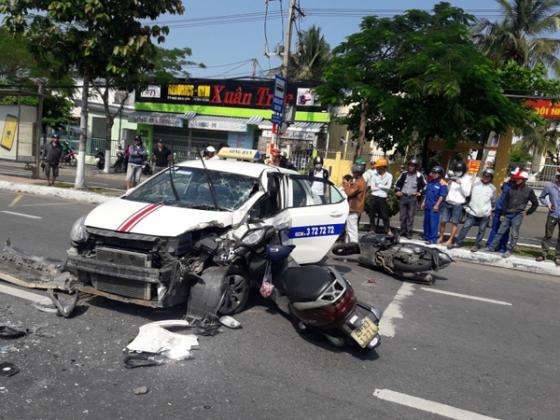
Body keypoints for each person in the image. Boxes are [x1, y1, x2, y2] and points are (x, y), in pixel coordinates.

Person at [484, 170, 539, 258]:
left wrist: (527, 212)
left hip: (518, 215)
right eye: (516, 178)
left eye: (518, 179)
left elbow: (535, 203)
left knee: (514, 234)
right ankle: (492, 247)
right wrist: (503, 213)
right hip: (507, 214)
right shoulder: (511, 188)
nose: (516, 180)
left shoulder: (529, 191)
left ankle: (509, 250)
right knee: (500, 231)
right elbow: (505, 202)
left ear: (524, 180)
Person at [453, 168, 497, 252]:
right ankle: (458, 242)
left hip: (485, 214)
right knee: (465, 227)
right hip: (472, 212)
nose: (486, 178)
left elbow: (494, 202)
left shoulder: (493, 188)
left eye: (488, 177)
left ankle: (476, 245)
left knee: (481, 230)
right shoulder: (475, 184)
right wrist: (467, 208)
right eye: (485, 175)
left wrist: (490, 212)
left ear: (491, 178)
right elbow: (468, 196)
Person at [439, 161, 472, 248]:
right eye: (456, 170)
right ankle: (441, 237)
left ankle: (450, 240)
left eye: (459, 170)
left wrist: (460, 183)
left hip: (458, 204)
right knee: (443, 221)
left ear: (463, 170)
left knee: (454, 223)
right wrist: (448, 184)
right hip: (448, 201)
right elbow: (448, 190)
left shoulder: (467, 179)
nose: (457, 172)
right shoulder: (453, 177)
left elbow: (467, 193)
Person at [394, 158, 426, 238]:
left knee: (410, 216)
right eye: (410, 166)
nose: (410, 167)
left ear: (416, 167)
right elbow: (396, 184)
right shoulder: (404, 174)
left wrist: (420, 192)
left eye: (413, 166)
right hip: (403, 196)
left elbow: (426, 186)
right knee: (402, 216)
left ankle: (409, 232)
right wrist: (398, 191)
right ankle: (402, 231)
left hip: (413, 198)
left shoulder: (419, 176)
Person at [487, 172, 516, 253]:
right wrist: (505, 181)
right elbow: (502, 189)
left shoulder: (517, 187)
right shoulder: (507, 183)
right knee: (494, 228)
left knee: (505, 230)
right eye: (511, 175)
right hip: (499, 209)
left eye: (513, 175)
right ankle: (490, 245)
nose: (511, 176)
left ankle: (502, 247)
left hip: (507, 211)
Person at [536, 168, 560, 265]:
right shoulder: (550, 186)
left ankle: (558, 256)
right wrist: (548, 204)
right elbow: (541, 197)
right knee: (548, 235)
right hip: (553, 214)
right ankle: (543, 254)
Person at [364, 158, 393, 234]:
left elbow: (388, 188)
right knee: (372, 213)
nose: (376, 168)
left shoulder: (389, 176)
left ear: (383, 167)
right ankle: (372, 229)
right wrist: (383, 186)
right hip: (374, 196)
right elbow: (373, 188)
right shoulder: (374, 176)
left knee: (384, 215)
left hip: (383, 197)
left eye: (378, 167)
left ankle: (387, 229)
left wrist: (379, 185)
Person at [422, 166, 448, 244]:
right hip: (427, 204)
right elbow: (427, 194)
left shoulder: (442, 183)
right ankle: (426, 237)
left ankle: (432, 239)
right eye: (433, 173)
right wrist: (423, 202)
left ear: (440, 174)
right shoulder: (430, 182)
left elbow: (442, 196)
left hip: (434, 206)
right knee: (426, 222)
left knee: (433, 223)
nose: (434, 174)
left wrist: (437, 205)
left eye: (436, 173)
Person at [343, 165, 367, 243]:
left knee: (351, 229)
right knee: (349, 228)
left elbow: (349, 193)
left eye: (353, 173)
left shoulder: (358, 183)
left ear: (357, 173)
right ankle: (347, 244)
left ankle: (353, 245)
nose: (353, 174)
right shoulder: (361, 181)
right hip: (356, 207)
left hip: (354, 208)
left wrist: (346, 184)